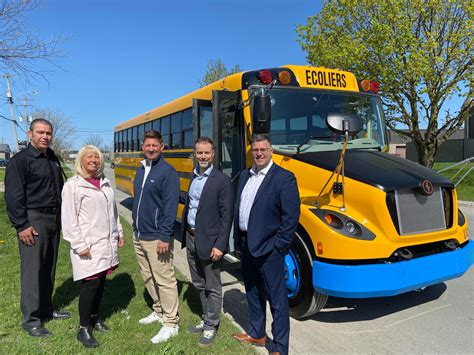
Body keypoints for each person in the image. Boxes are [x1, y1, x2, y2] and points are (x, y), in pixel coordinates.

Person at [232, 134, 300, 355]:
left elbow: (290, 219)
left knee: (277, 300)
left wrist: (278, 246)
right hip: (246, 244)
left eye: (263, 149)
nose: (259, 153)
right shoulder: (244, 175)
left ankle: (280, 347)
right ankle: (257, 333)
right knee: (252, 291)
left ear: (271, 151)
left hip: (269, 250)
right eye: (255, 150)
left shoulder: (284, 178)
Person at [4, 118, 71, 337]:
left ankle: (45, 308)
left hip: (53, 220)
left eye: (48, 133)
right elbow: (13, 197)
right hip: (33, 220)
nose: (45, 136)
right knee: (33, 271)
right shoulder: (20, 161)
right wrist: (22, 225)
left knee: (48, 267)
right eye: (40, 132)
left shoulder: (52, 158)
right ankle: (31, 319)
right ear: (30, 134)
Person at [61, 145, 124, 348]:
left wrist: (119, 233)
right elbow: (69, 219)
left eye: (96, 156)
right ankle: (83, 327)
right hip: (88, 244)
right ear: (81, 160)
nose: (93, 160)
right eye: (89, 156)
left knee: (101, 281)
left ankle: (95, 317)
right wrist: (79, 245)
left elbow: (113, 212)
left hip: (106, 242)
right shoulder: (73, 185)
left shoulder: (104, 182)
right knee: (91, 284)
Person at [181, 137, 233, 347]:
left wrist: (220, 245)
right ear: (194, 154)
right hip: (191, 238)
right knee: (198, 283)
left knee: (212, 286)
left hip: (211, 243)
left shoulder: (222, 180)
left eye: (206, 153)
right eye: (199, 153)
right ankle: (206, 319)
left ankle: (211, 326)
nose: (202, 156)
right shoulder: (194, 177)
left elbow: (226, 215)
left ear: (213, 154)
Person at [132, 130, 180, 344]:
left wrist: (164, 235)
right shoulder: (141, 169)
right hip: (139, 234)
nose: (150, 149)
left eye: (155, 145)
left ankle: (171, 322)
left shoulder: (167, 172)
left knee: (164, 279)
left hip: (157, 237)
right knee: (148, 276)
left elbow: (170, 208)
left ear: (162, 146)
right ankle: (159, 310)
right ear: (143, 146)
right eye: (147, 145)